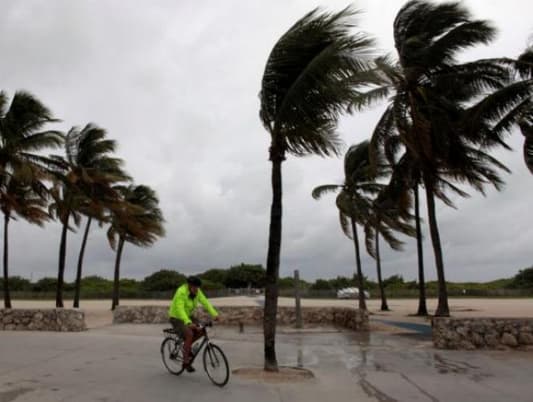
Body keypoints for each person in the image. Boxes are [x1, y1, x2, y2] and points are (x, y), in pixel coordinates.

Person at [168, 276, 218, 372]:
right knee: (189, 334)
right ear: (190, 286)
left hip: (188, 316)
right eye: (195, 288)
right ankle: (186, 362)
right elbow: (180, 309)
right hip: (176, 318)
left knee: (202, 330)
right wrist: (188, 322)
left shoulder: (197, 292)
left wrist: (215, 314)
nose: (197, 290)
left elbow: (205, 302)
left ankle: (186, 346)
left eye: (198, 288)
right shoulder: (181, 292)